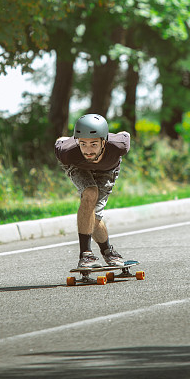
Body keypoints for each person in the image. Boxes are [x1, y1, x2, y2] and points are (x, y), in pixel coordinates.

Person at [54, 113, 132, 269]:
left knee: (93, 216)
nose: (88, 150)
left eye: (94, 144)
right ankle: (86, 255)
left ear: (104, 141)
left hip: (107, 170)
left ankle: (108, 252)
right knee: (90, 193)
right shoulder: (67, 152)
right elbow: (60, 141)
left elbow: (126, 135)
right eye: (83, 144)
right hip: (78, 166)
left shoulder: (119, 146)